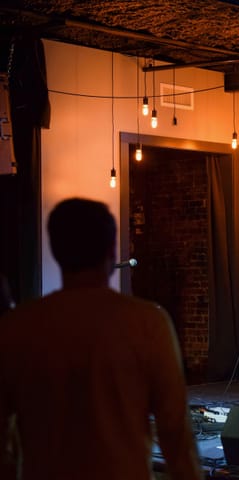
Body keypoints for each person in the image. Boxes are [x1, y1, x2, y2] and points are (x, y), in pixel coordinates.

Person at [0, 198, 202, 480]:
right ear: (110, 250)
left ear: (56, 251)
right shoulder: (147, 323)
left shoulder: (17, 327)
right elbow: (175, 433)